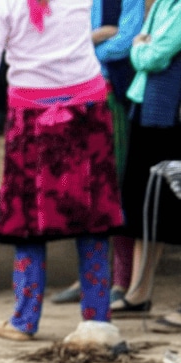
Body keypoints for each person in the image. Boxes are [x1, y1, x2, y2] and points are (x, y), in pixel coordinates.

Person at [0, 0, 123, 341]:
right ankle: (98, 318)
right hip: (88, 111)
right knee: (94, 219)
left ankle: (24, 321)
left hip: (33, 119)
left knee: (28, 223)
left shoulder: (1, 3)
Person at [51, 0, 144, 305]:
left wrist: (85, 48)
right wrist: (95, 38)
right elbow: (60, 42)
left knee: (117, 185)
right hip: (78, 93)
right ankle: (90, 275)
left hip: (113, 95)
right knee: (84, 187)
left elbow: (125, 42)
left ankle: (120, 278)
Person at [108, 0, 181, 327]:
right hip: (146, 110)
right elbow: (144, 50)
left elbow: (153, 55)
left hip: (169, 117)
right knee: (143, 205)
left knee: (170, 209)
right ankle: (138, 292)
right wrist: (141, 49)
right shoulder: (163, 4)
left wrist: (140, 50)